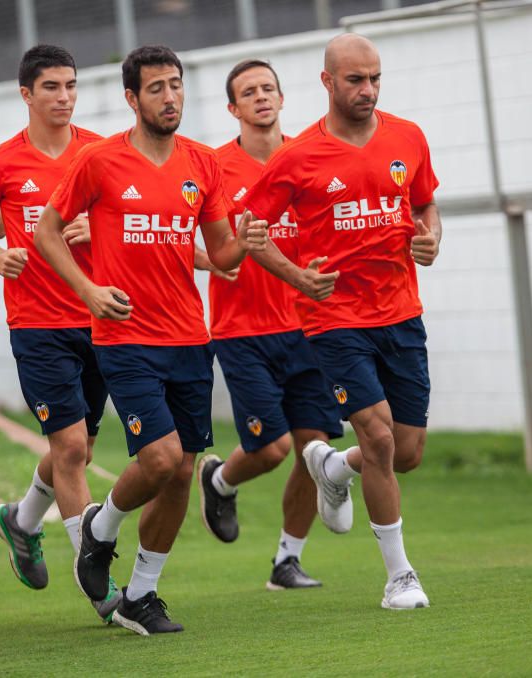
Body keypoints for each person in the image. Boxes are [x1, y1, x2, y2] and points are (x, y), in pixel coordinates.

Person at [35, 45, 268, 635]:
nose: (171, 97)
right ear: (133, 99)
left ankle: (142, 593)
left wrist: (248, 239)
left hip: (190, 337)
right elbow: (46, 232)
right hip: (125, 335)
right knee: (158, 459)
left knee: (183, 471)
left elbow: (219, 255)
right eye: (158, 88)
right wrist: (88, 290)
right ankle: (100, 528)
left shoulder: (202, 164)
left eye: (177, 86)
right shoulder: (99, 161)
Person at [244, 33, 441, 610]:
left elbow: (426, 202)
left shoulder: (408, 136)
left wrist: (431, 238)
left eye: (375, 78)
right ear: (327, 82)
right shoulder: (297, 156)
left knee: (406, 451)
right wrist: (297, 277)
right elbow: (250, 231)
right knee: (377, 436)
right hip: (333, 317)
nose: (368, 90)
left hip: (401, 313)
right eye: (356, 80)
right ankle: (400, 577)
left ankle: (334, 465)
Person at [0, 44, 118, 622]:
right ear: (26, 94)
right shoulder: (1, 163)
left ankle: (21, 521)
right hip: (37, 324)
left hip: (97, 316)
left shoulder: (101, 154)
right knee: (71, 448)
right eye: (51, 87)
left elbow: (125, 216)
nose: (64, 97)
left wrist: (92, 225)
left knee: (78, 448)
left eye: (71, 86)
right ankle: (96, 578)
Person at [196, 59, 343, 590]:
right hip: (242, 330)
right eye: (248, 92)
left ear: (282, 99)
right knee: (273, 447)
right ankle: (220, 477)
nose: (261, 98)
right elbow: (184, 236)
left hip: (309, 327)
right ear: (233, 109)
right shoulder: (212, 168)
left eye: (268, 89)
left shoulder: (309, 159)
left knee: (313, 449)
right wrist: (212, 260)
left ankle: (288, 560)